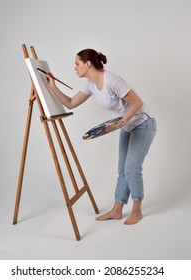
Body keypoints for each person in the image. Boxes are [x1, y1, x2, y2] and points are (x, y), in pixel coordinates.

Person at [46, 49, 157, 225]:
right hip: (126, 125)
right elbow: (70, 103)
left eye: (77, 63)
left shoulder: (113, 80)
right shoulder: (90, 84)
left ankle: (137, 210)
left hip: (143, 123)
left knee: (131, 169)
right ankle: (117, 210)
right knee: (122, 170)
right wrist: (52, 87)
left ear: (88, 64)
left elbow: (138, 103)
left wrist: (122, 121)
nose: (74, 68)